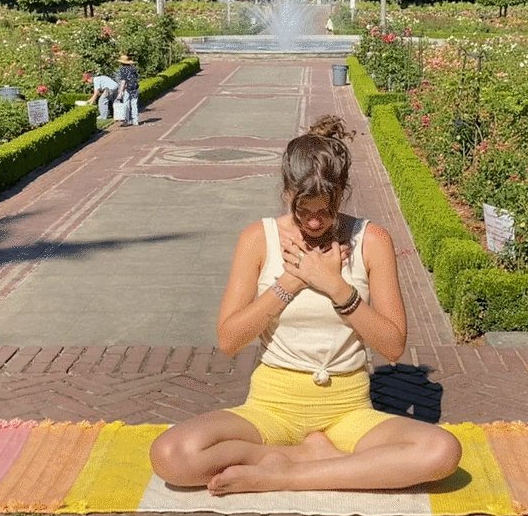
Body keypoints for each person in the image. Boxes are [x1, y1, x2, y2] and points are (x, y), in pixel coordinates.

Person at [149, 115, 462, 495]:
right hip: (271, 407)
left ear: (341, 193)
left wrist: (335, 286)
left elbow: (393, 346)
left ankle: (284, 473)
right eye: (304, 211)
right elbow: (229, 340)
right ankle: (314, 457)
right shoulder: (258, 238)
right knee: (171, 455)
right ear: (287, 193)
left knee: (441, 451)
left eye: (325, 211)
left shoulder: (371, 239)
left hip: (348, 411)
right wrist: (292, 281)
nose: (314, 223)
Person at [116, 54, 140, 127]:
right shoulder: (133, 68)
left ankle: (126, 121)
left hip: (127, 88)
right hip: (134, 88)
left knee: (126, 104)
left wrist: (120, 92)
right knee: (134, 104)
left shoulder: (123, 69)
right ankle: (135, 121)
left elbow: (123, 81)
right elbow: (137, 78)